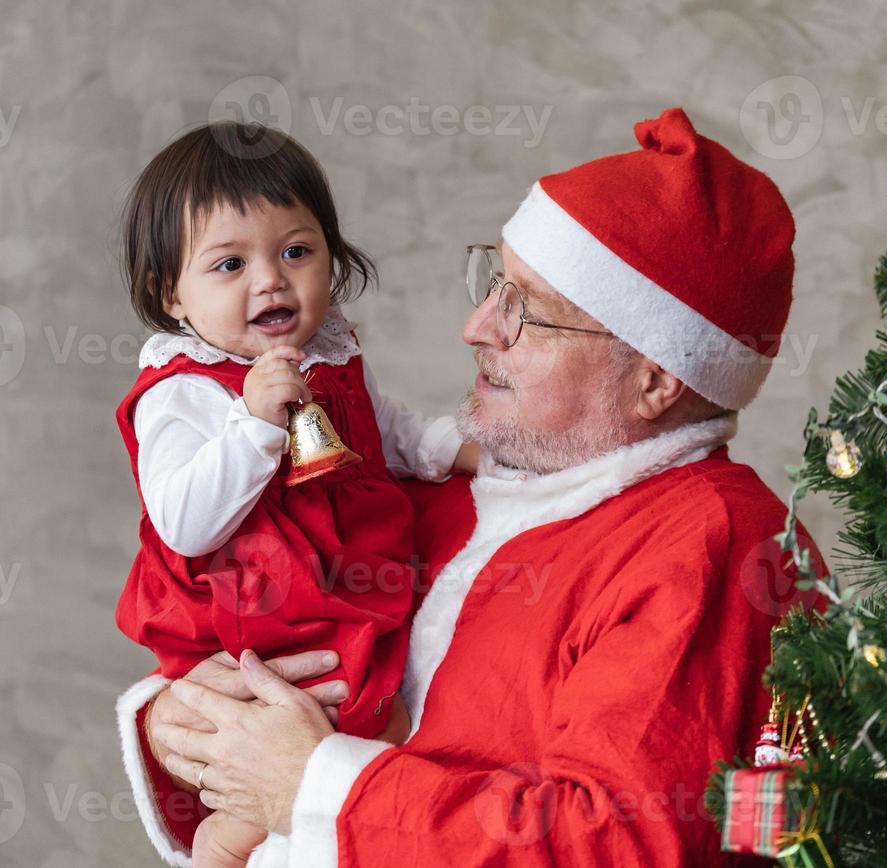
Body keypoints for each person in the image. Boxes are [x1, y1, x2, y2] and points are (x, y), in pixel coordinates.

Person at [118, 107, 822, 866]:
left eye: (530, 313)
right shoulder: (427, 495)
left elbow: (620, 843)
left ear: (655, 379)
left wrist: (310, 783)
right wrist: (180, 721)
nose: (478, 326)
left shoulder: (714, 547)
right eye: (494, 283)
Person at [112, 121, 478, 867]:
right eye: (228, 264)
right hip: (253, 601)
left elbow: (389, 432)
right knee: (352, 718)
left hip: (342, 573)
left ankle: (309, 833)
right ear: (169, 295)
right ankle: (227, 841)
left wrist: (458, 449)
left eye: (296, 251)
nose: (270, 279)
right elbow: (184, 523)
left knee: (390, 725)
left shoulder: (332, 351)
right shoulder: (179, 392)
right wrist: (252, 425)